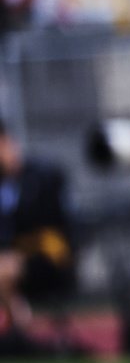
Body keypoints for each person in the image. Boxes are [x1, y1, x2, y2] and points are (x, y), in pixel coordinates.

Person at [0, 118, 74, 347]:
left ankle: (20, 331)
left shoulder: (41, 176)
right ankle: (18, 328)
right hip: (15, 259)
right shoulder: (4, 183)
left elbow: (57, 224)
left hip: (49, 257)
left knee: (4, 269)